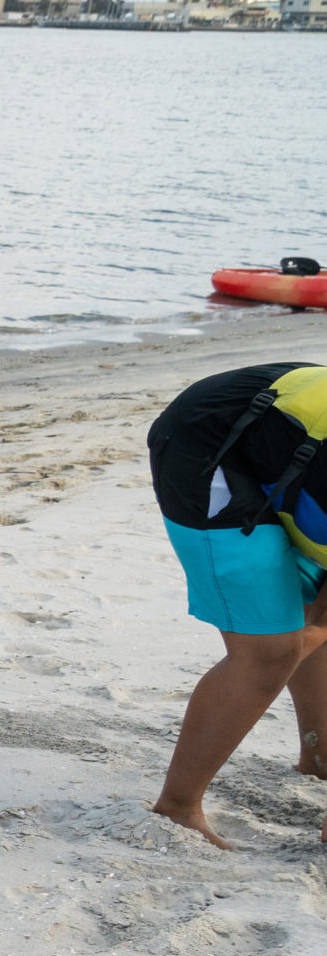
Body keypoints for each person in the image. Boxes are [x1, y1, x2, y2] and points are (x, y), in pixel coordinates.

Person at [144, 363, 327, 848]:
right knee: (270, 651)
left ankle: (318, 757)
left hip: (286, 446)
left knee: (309, 623)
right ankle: (178, 807)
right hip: (210, 441)